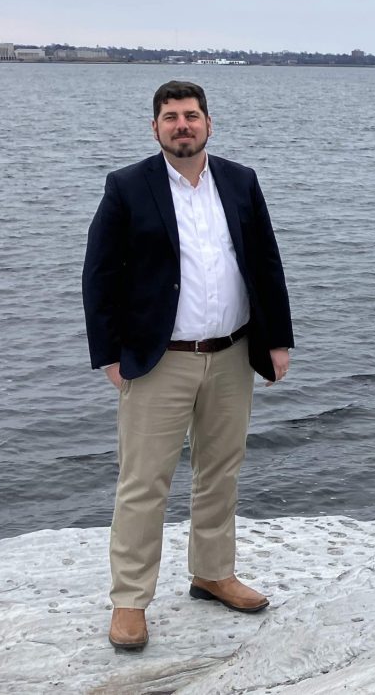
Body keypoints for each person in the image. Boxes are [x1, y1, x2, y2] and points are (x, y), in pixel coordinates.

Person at [82, 80, 294, 652]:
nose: (183, 125)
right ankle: (130, 600)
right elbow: (98, 274)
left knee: (220, 472)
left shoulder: (240, 181)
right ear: (155, 128)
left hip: (231, 354)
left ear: (208, 124)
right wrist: (108, 354)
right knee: (143, 483)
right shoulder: (128, 186)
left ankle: (213, 573)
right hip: (159, 361)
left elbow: (266, 263)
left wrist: (277, 341)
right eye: (171, 117)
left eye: (192, 116)